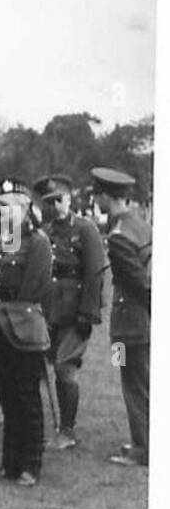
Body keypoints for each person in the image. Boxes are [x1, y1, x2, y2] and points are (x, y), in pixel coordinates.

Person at [0, 177, 53, 487]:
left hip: (24, 326)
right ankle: (9, 463)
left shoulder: (37, 241)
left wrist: (11, 309)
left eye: (3, 207)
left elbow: (35, 287)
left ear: (23, 208)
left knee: (27, 399)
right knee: (7, 398)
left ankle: (30, 465)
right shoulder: (2, 239)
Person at [34, 174, 105, 450]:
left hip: (75, 311)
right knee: (41, 368)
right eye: (49, 201)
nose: (55, 206)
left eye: (59, 200)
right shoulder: (45, 231)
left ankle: (67, 429)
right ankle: (40, 425)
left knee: (65, 369)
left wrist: (88, 313)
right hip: (49, 309)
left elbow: (95, 272)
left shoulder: (85, 229)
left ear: (70, 199)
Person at [91, 167, 151, 467]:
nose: (95, 200)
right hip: (141, 323)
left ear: (106, 196)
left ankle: (143, 447)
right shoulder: (140, 225)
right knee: (143, 381)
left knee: (134, 384)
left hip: (131, 325)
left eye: (96, 194)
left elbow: (142, 284)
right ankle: (144, 440)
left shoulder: (118, 237)